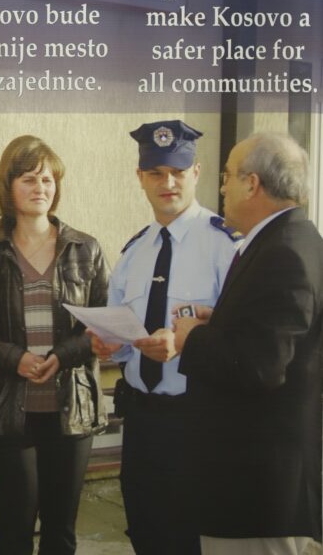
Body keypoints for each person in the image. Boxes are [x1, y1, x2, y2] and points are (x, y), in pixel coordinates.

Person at [89, 120, 240, 555]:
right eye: (155, 173)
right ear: (140, 178)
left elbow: (244, 336)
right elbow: (120, 332)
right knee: (147, 532)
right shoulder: (135, 251)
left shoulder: (227, 246)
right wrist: (109, 344)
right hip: (141, 422)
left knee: (193, 540)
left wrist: (185, 344)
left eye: (177, 171)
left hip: (200, 423)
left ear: (196, 173)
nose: (167, 183)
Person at [174, 132, 323, 555]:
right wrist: (219, 321)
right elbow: (271, 336)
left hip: (256, 488)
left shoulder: (284, 252)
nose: (221, 188)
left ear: (252, 183)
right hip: (254, 482)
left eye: (227, 176)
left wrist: (193, 337)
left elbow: (262, 365)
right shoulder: (289, 239)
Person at [0, 134, 109, 555]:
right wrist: (17, 359)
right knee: (15, 524)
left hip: (72, 409)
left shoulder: (86, 249)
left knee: (61, 529)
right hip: (10, 411)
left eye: (47, 179)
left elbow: (103, 323)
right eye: (28, 179)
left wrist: (62, 356)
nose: (40, 188)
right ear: (8, 187)